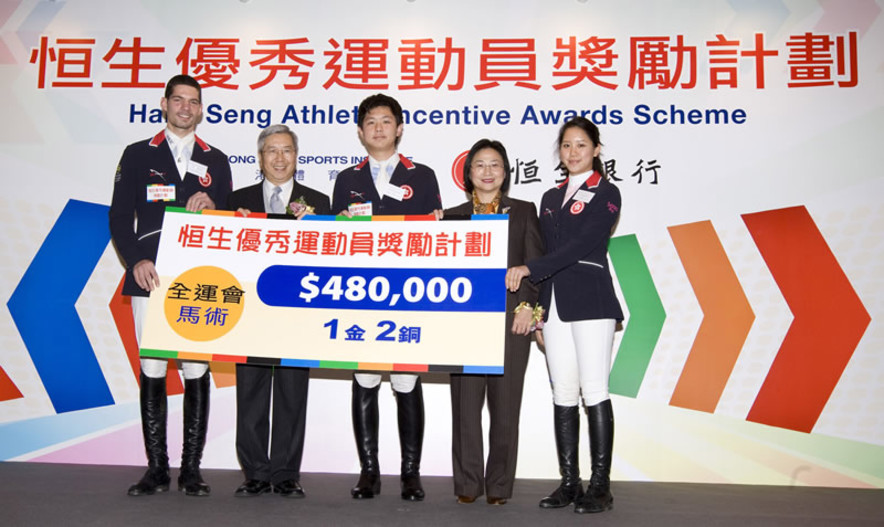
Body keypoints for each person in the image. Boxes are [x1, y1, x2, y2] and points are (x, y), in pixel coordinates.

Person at [109, 74, 232, 497]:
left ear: (201, 109)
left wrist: (216, 207)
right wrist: (136, 259)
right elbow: (120, 218)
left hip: (199, 279)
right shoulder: (139, 154)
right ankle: (156, 468)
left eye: (193, 101)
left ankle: (191, 469)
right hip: (153, 274)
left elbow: (232, 219)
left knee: (196, 368)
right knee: (154, 368)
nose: (185, 108)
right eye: (177, 100)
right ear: (164, 104)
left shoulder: (216, 160)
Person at [505, 116, 622, 514]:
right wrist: (537, 307)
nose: (573, 152)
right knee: (563, 393)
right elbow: (543, 251)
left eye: (581, 145)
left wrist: (529, 270)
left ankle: (601, 486)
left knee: (595, 391)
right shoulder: (551, 198)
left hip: (590, 301)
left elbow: (584, 244)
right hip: (554, 307)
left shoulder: (607, 192)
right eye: (567, 146)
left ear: (596, 150)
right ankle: (570, 482)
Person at [331, 93, 443, 501]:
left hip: (408, 293)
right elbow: (333, 245)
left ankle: (410, 473)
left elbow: (440, 239)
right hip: (360, 293)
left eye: (386, 121)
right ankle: (369, 471)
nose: (378, 128)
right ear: (360, 132)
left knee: (406, 378)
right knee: (364, 378)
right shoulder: (347, 180)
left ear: (399, 127)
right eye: (370, 122)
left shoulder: (424, 176)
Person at [227, 124, 330, 498]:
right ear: (260, 158)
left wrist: (315, 228)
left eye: (287, 150)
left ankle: (286, 473)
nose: (280, 158)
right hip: (248, 312)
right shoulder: (236, 201)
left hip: (296, 313)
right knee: (251, 392)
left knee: (291, 393)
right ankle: (254, 472)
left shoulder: (318, 200)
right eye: (272, 151)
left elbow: (332, 255)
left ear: (296, 157)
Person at [444, 139, 543, 506]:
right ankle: (468, 484)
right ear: (468, 173)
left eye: (495, 165)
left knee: (505, 410)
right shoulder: (451, 216)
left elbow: (535, 264)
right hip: (464, 324)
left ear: (505, 172)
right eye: (480, 165)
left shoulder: (523, 211)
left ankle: (499, 486)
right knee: (466, 410)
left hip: (510, 320)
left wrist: (527, 307)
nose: (487, 172)